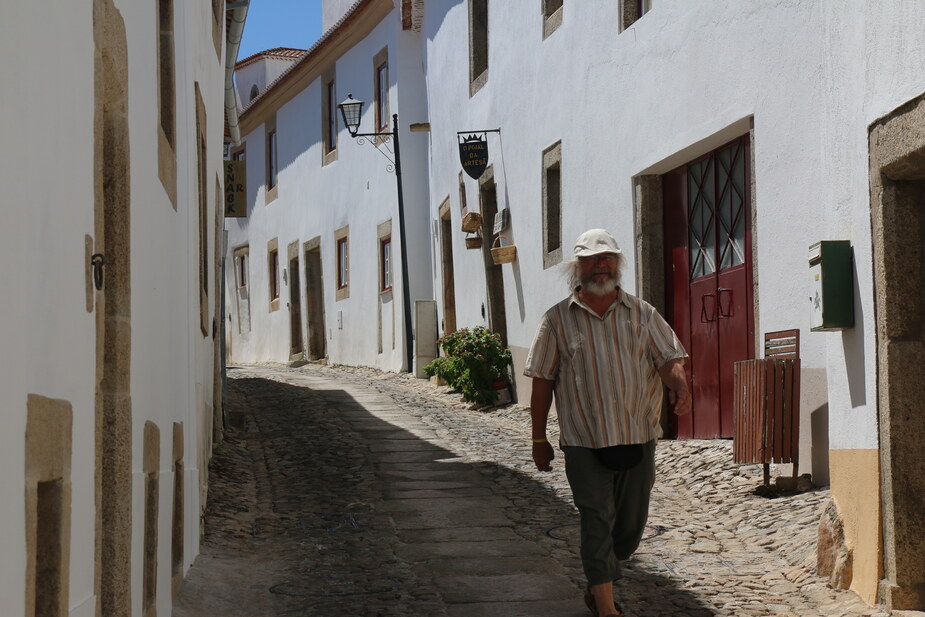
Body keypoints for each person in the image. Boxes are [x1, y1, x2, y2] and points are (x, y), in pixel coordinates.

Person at [524, 228, 691, 617]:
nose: (600, 266)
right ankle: (605, 606)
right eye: (591, 260)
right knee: (595, 518)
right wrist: (538, 438)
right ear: (577, 268)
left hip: (637, 434)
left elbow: (669, 359)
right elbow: (542, 382)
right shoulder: (556, 321)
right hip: (584, 440)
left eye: (607, 259)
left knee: (630, 527)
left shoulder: (643, 313)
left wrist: (679, 386)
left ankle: (597, 578)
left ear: (618, 264)